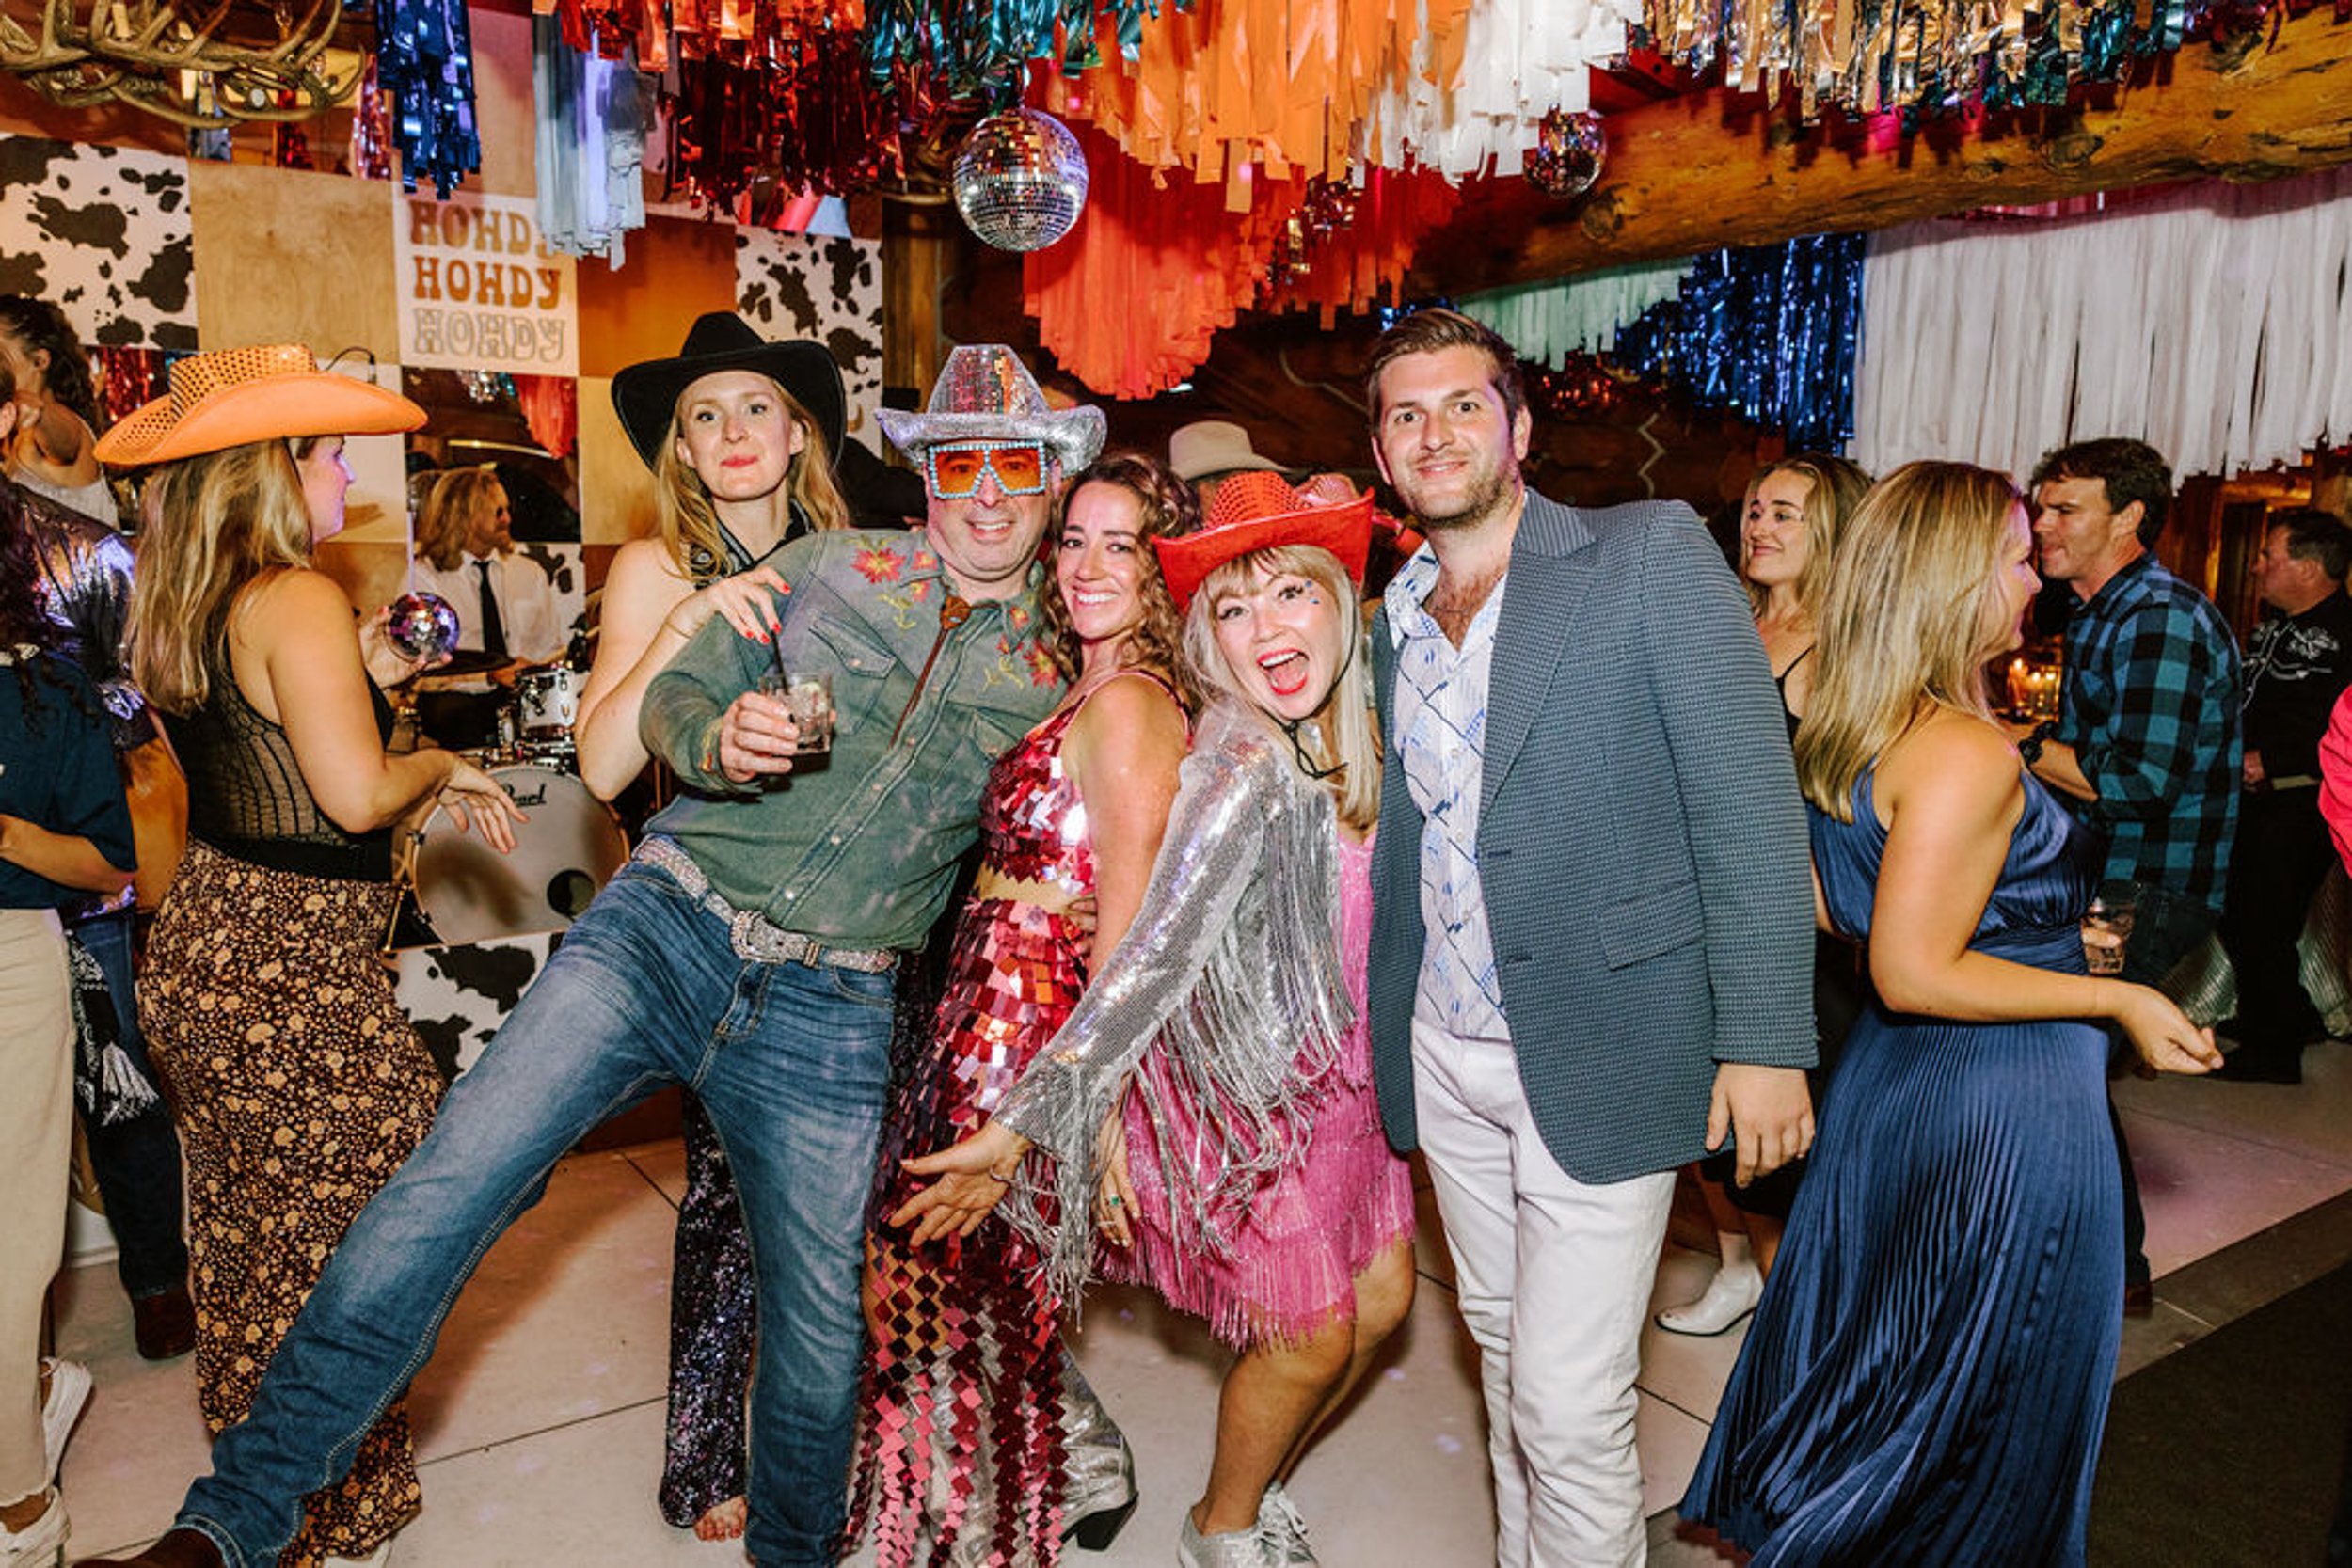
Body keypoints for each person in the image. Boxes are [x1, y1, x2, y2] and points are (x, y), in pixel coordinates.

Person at [86, 341, 1093, 1568]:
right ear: (926, 474)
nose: (986, 494)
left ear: (1051, 483)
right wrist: (718, 735)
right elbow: (672, 701)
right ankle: (228, 1526)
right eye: (959, 463)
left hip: (834, 1003)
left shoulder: (1063, 666)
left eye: (1015, 467)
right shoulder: (833, 564)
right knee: (450, 1184)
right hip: (664, 921)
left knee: (825, 1337)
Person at [1680, 460, 2222, 1563]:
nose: (2034, 577)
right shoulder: (1966, 750)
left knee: (1887, 1362)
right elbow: (1913, 968)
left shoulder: (1843, 720)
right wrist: (2114, 992)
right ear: (1956, 576)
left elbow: (1835, 905)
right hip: (2000, 1101)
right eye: (2017, 555)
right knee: (1987, 1387)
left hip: (1894, 1088)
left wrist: (2042, 929)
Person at [1359, 308, 1816, 1567]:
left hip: (1606, 1033)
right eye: (1406, 414)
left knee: (1569, 1402)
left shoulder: (1646, 550)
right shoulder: (1384, 612)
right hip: (1443, 1043)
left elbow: (1746, 801)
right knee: (1507, 1359)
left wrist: (1766, 1035)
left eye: (1464, 403)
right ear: (1384, 456)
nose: (1436, 431)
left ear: (1517, 424)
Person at [898, 469, 1420, 1568]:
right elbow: (1151, 955)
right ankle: (1220, 1530)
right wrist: (1031, 1121)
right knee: (1312, 1331)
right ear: (1206, 640)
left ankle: (1257, 1482)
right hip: (1261, 1109)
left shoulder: (1364, 731)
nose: (1264, 627)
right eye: (1231, 609)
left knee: (1381, 1306)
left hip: (1356, 1098)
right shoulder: (1238, 762)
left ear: (1340, 597)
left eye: (1288, 595)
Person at [101, 344, 520, 1568]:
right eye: (330, 451)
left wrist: (373, 670)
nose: (348, 470)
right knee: (372, 1242)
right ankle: (314, 1503)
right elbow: (349, 796)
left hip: (209, 947)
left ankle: (281, 1501)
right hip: (289, 973)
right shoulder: (290, 594)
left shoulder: (189, 595)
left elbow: (261, 749)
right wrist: (436, 762)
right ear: (269, 470)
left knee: (250, 1238)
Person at [855, 451, 1196, 1566]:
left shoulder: (1134, 702)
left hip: (1026, 1024)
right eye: (1076, 538)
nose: (1090, 563)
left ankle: (969, 1532)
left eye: (1123, 543)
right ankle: (1054, 1475)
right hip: (982, 1000)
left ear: (1162, 565)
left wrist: (1074, 1109)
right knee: (958, 1290)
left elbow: (1133, 930)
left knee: (926, 1284)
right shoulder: (1081, 681)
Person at [576, 312, 854, 1542]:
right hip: (709, 920)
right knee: (730, 1193)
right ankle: (701, 1452)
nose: (734, 432)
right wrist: (702, 615)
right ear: (680, 451)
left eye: (757, 408)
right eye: (707, 415)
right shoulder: (653, 570)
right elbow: (596, 764)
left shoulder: (855, 560)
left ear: (798, 434)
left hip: (852, 919)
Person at [2021, 436, 2240, 1311]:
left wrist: (2021, 749)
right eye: (2041, 507)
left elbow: (2141, 783)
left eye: (2064, 508)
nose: (2042, 524)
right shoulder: (2100, 610)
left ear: (2131, 518)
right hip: (2116, 875)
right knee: (2064, 1063)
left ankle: (2111, 1269)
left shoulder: (2158, 615)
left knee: (2061, 1062)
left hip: (2147, 883)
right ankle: (2107, 1266)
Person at [1656, 452, 1870, 1337]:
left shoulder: (1840, 651)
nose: (1761, 527)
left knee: (1777, 1148)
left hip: (1788, 923)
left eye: (1787, 513)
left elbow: (1844, 806)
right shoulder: (1726, 621)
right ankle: (1739, 1268)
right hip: (1694, 913)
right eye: (1754, 511)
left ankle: (1799, 1333)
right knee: (1700, 1125)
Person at [8, 372, 194, 1362]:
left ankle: (159, 1274)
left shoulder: (76, 541)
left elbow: (137, 687)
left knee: (113, 1064)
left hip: (82, 842)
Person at [0, 438, 136, 1568]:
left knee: (4, 1249)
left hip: (9, 958)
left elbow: (110, 859)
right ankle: (36, 1386)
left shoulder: (40, 678)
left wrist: (0, 831)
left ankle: (21, 1515)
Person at [2215, 506, 2352, 1082]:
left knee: (2263, 917)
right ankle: (2285, 1013)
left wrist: (2272, 760)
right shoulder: (2269, 625)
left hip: (2303, 801)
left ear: (2310, 566)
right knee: (2238, 911)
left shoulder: (2349, 632)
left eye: (2270, 555)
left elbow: (2339, 726)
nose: (2257, 567)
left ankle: (2274, 1052)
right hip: (2250, 798)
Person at [408, 465, 565, 665]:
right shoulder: (424, 578)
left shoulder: (530, 573)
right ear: (465, 516)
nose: (507, 519)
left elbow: (551, 648)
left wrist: (531, 670)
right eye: (498, 512)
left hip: (525, 690)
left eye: (508, 510)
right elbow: (418, 663)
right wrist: (487, 676)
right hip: (456, 694)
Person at [0, 296, 118, 525]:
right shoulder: (15, 433)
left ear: (40, 360)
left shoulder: (62, 424)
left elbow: (65, 446)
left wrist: (40, 414)